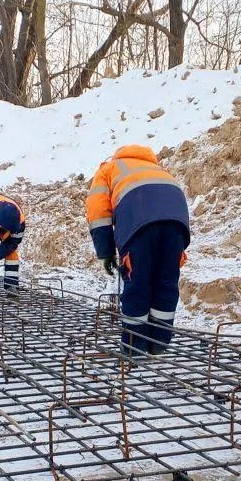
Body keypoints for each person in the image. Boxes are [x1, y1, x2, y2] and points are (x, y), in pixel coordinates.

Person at [86, 145, 190, 357]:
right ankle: (158, 343)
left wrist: (106, 252)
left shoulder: (109, 169)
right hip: (177, 226)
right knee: (166, 282)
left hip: (138, 224)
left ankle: (134, 346)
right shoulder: (158, 170)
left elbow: (98, 214)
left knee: (138, 284)